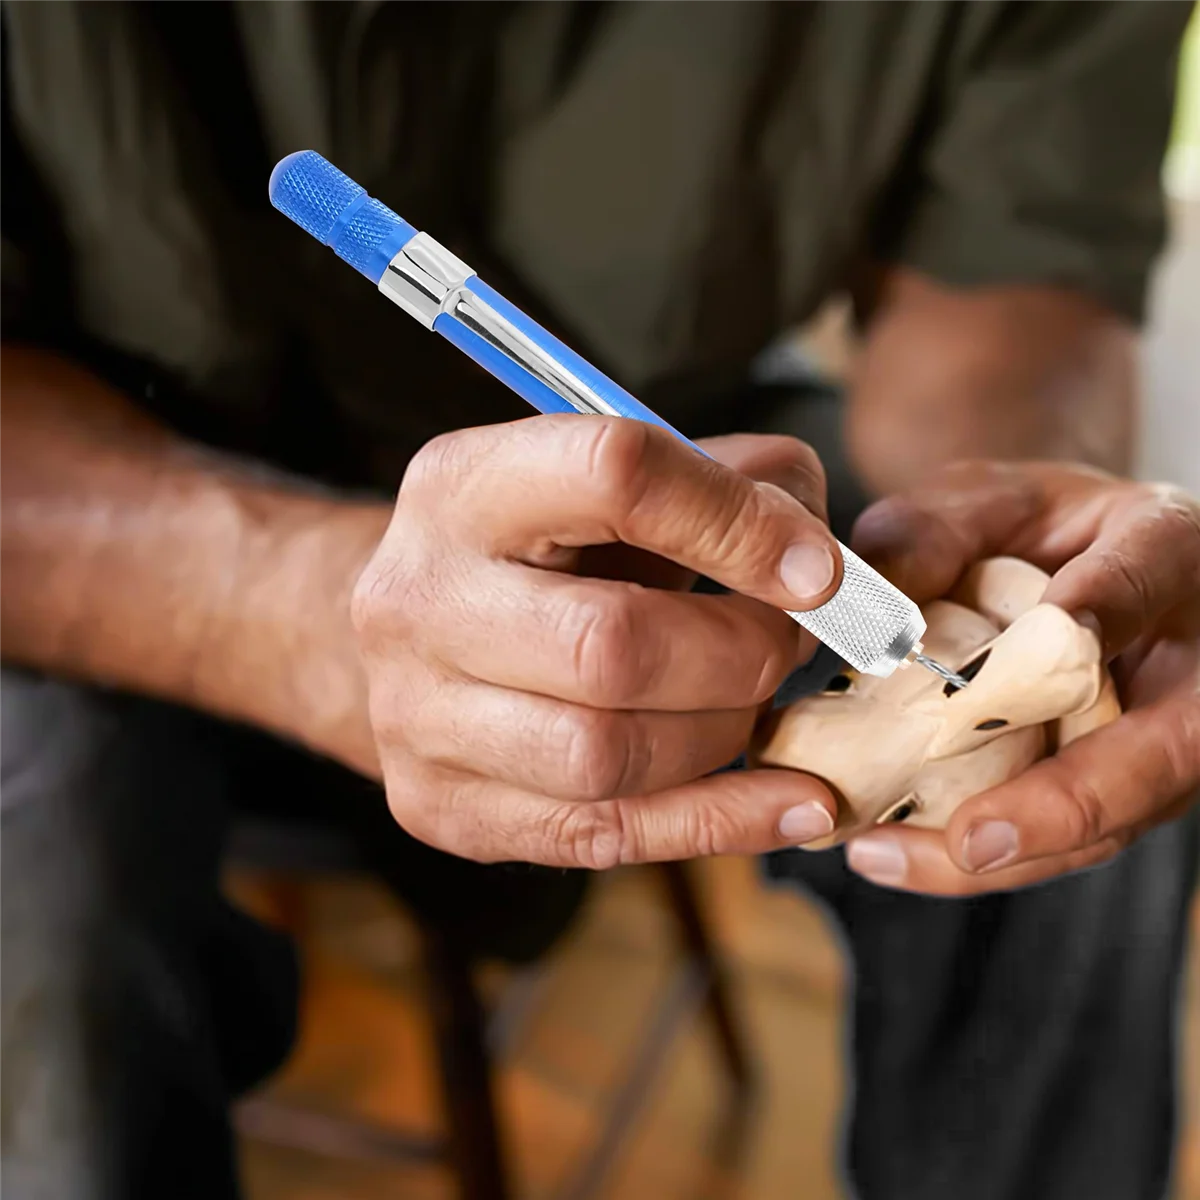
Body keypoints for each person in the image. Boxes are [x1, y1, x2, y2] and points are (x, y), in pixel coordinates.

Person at [0, 2, 1195, 1198]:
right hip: (100, 500)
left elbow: (1013, 273)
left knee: (1104, 747)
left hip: (680, 445)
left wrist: (1017, 526)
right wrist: (281, 599)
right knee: (51, 928)